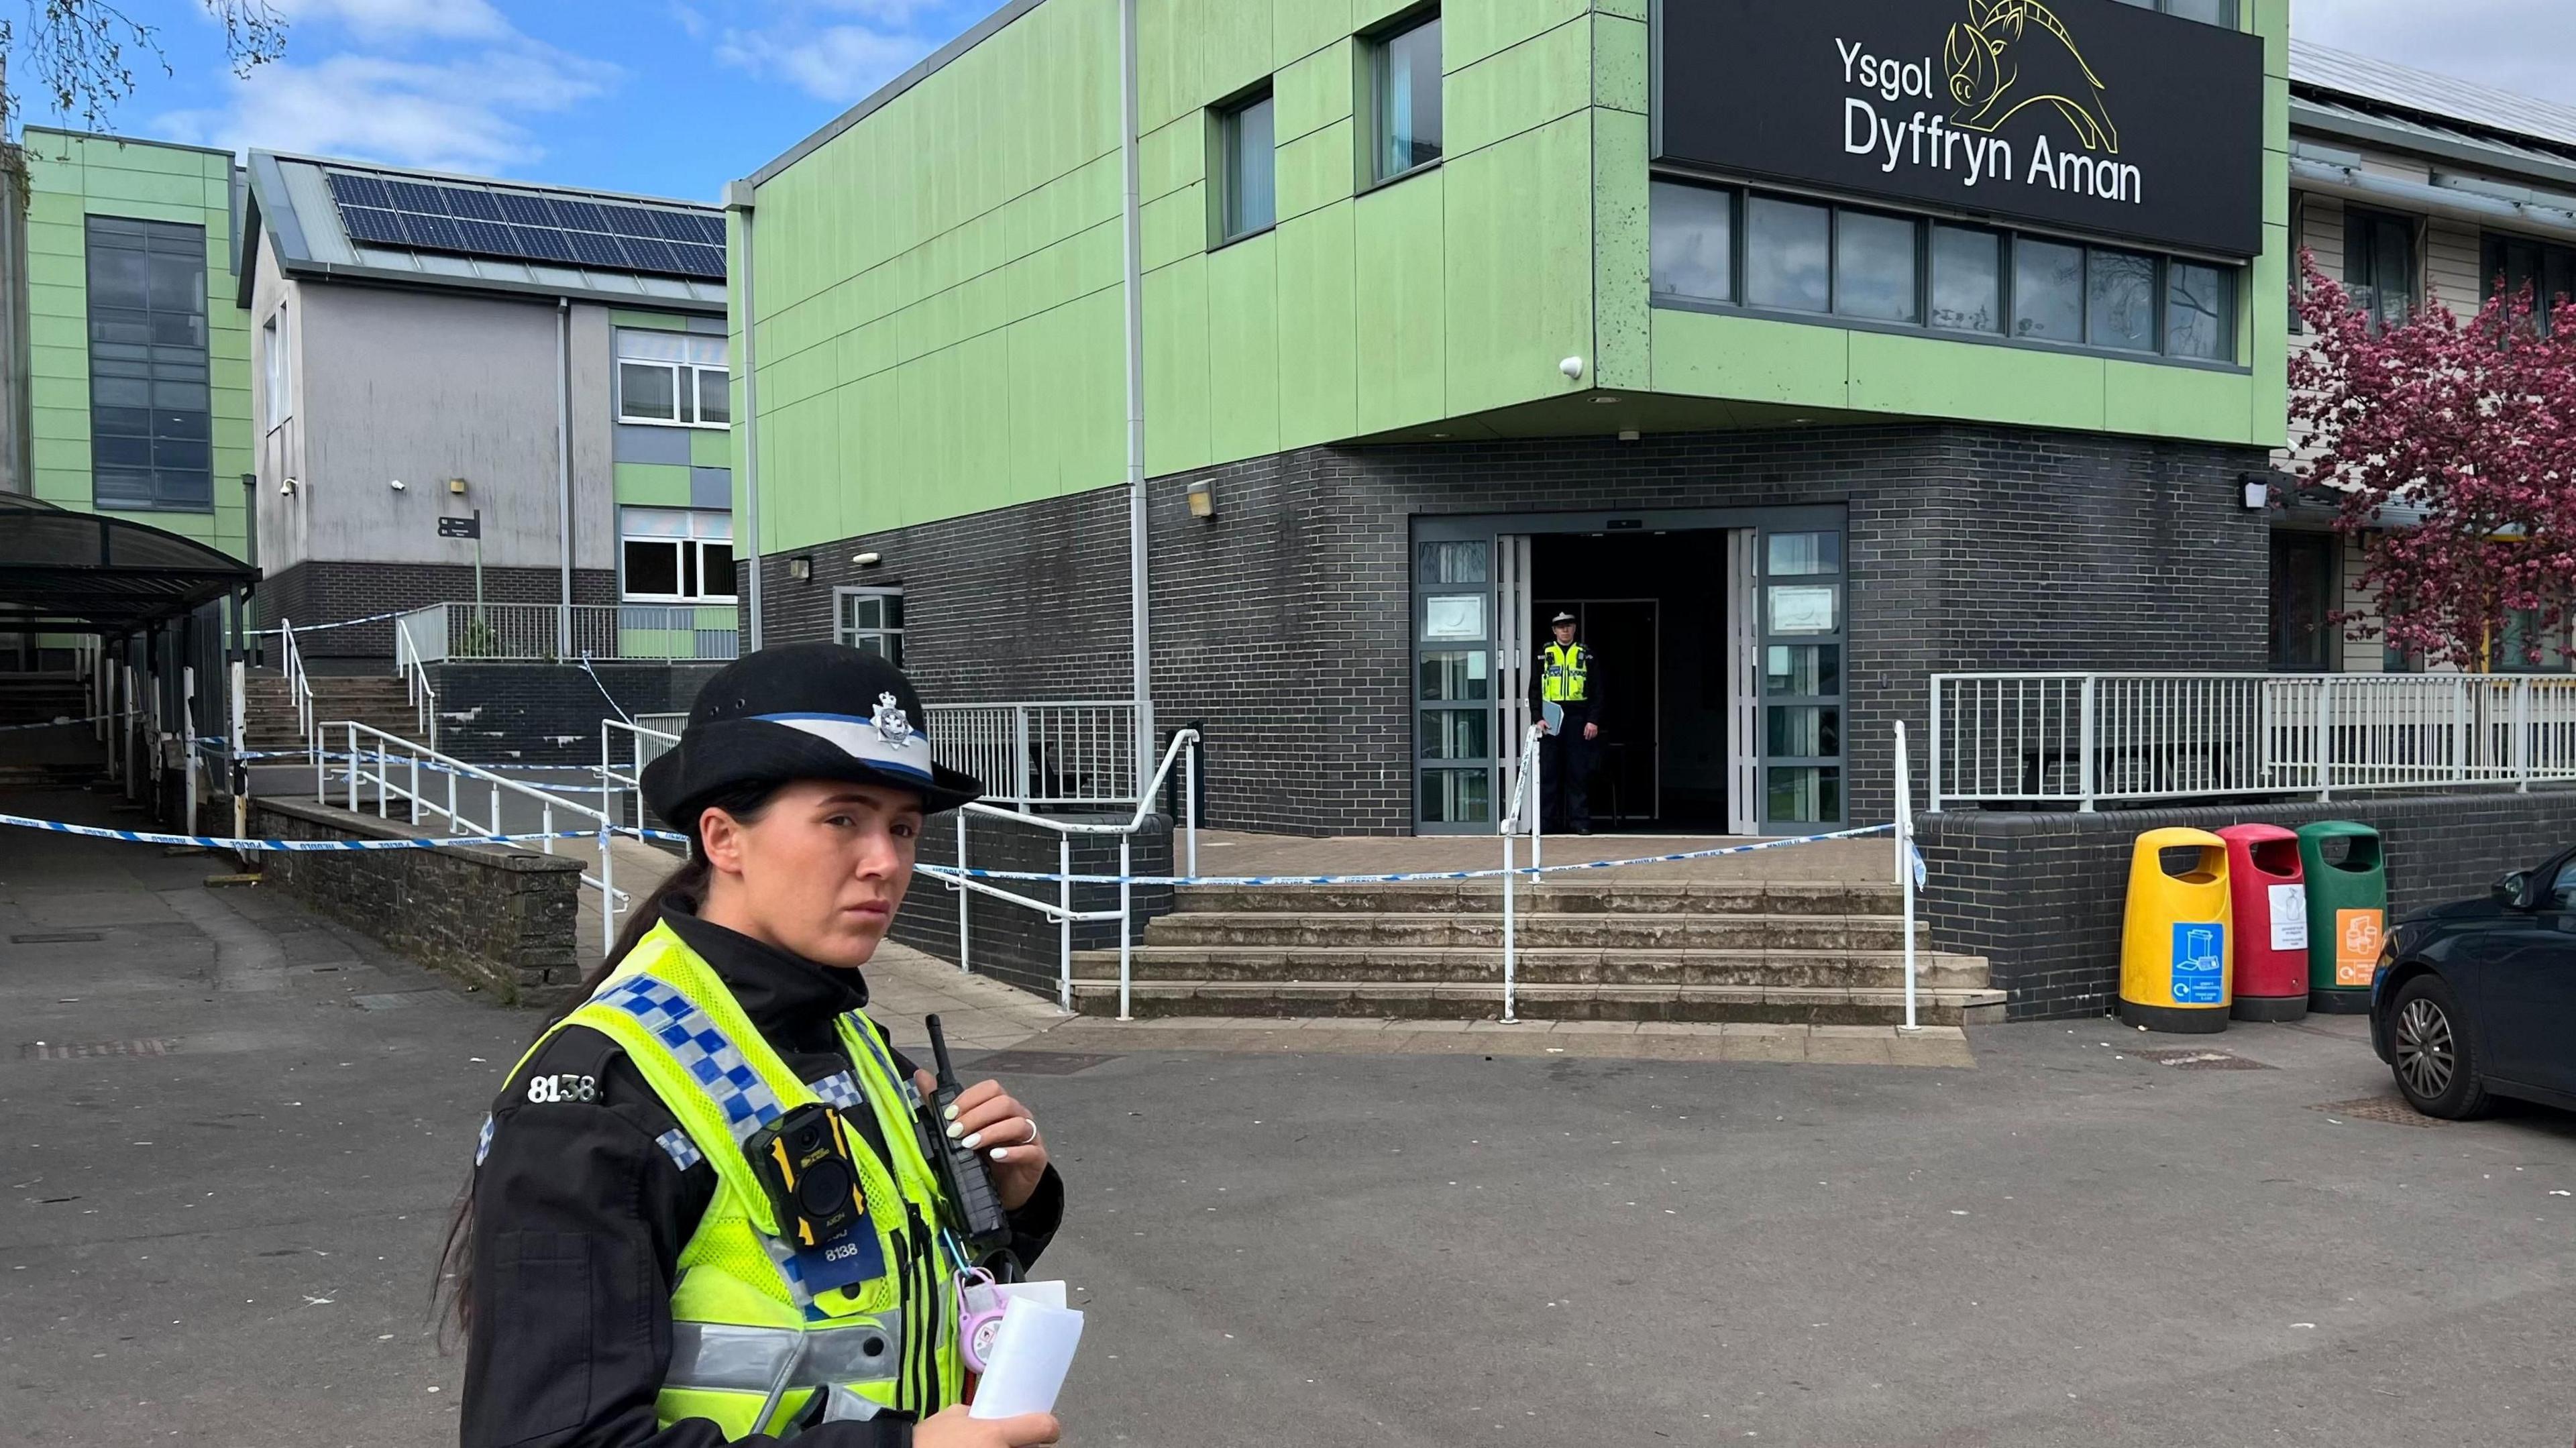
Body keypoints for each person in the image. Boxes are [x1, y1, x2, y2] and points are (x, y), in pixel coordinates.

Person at [447, 643, 1067, 1448]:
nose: (886, 862)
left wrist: (1008, 1202)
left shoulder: (845, 1031)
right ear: (722, 838)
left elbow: (867, 1287)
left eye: (904, 826)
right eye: (843, 818)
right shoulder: (601, 1096)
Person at [1533, 610, 1599, 835]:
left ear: (1574, 629)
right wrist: (1537, 717)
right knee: (1548, 772)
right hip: (1551, 716)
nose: (1565, 630)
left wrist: (1593, 720)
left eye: (1569, 626)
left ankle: (1580, 822)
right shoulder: (1544, 653)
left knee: (1577, 772)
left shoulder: (1586, 654)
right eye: (1561, 627)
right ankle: (1545, 823)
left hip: (1577, 716)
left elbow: (1598, 690)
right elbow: (1534, 688)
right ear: (1554, 630)